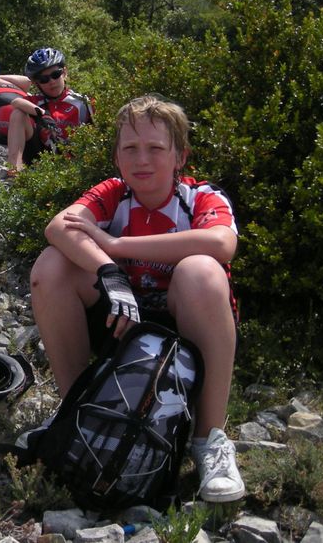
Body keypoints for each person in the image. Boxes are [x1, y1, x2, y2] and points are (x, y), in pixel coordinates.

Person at [29, 94, 244, 503]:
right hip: (123, 322)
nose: (141, 159)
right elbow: (59, 227)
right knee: (51, 267)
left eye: (155, 148)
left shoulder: (201, 198)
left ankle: (209, 439)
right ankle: (77, 414)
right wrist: (108, 270)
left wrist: (117, 245)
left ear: (180, 156)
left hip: (186, 333)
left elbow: (221, 243)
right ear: (116, 156)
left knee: (200, 271)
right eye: (130, 148)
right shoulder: (113, 193)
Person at [6, 47, 93, 173]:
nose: (51, 82)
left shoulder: (82, 102)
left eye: (55, 75)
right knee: (18, 113)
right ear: (37, 84)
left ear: (64, 73)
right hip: (40, 160)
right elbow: (15, 102)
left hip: (76, 163)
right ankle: (14, 172)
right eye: (44, 79)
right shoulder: (37, 101)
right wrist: (42, 113)